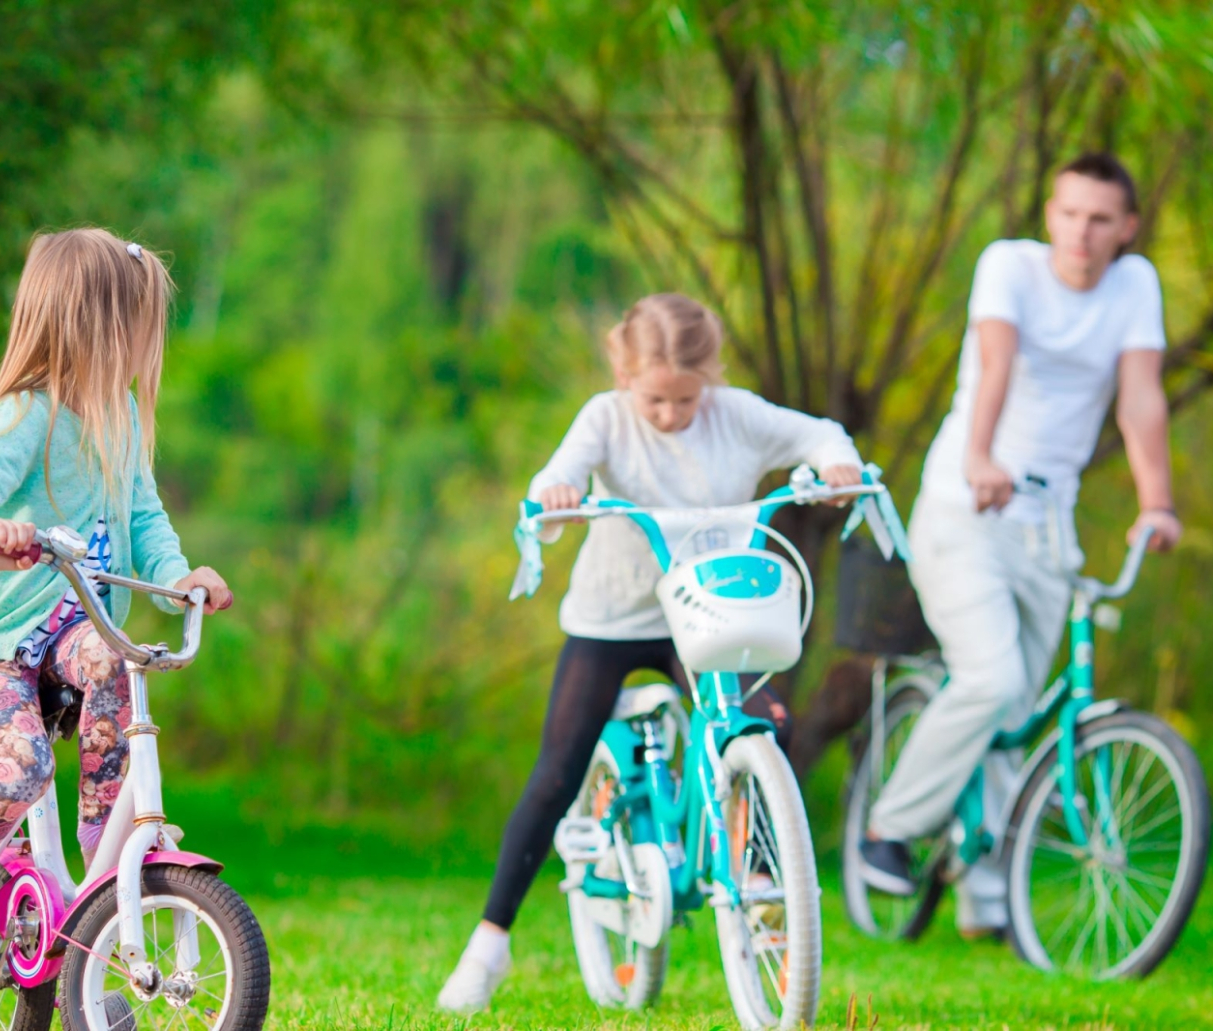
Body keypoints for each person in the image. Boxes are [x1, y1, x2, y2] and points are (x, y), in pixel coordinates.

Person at [436, 292, 864, 1012]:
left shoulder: (737, 415)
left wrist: (837, 465)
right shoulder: (605, 417)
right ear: (623, 373)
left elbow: (820, 434)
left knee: (763, 722)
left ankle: (755, 876)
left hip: (706, 608)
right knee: (557, 769)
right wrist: (558, 491)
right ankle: (488, 944)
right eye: (654, 398)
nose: (668, 414)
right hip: (614, 614)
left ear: (710, 378)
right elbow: (559, 470)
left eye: (684, 398)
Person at [858, 153, 1181, 937]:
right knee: (993, 676)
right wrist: (978, 456)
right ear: (1048, 214)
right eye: (1069, 213)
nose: (1082, 231)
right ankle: (888, 828)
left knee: (1027, 709)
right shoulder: (1008, 267)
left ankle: (983, 894)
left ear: (1125, 229)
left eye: (1100, 218)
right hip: (962, 505)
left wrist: (1157, 502)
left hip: (1047, 523)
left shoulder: (1133, 286)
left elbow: (1138, 399)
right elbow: (994, 363)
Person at [0, 229, 235, 972]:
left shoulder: (115, 418)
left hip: (63, 640)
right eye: (138, 324)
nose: (147, 344)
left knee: (115, 657)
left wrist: (180, 576)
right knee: (23, 766)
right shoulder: (28, 417)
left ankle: (99, 839)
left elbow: (146, 518)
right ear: (97, 326)